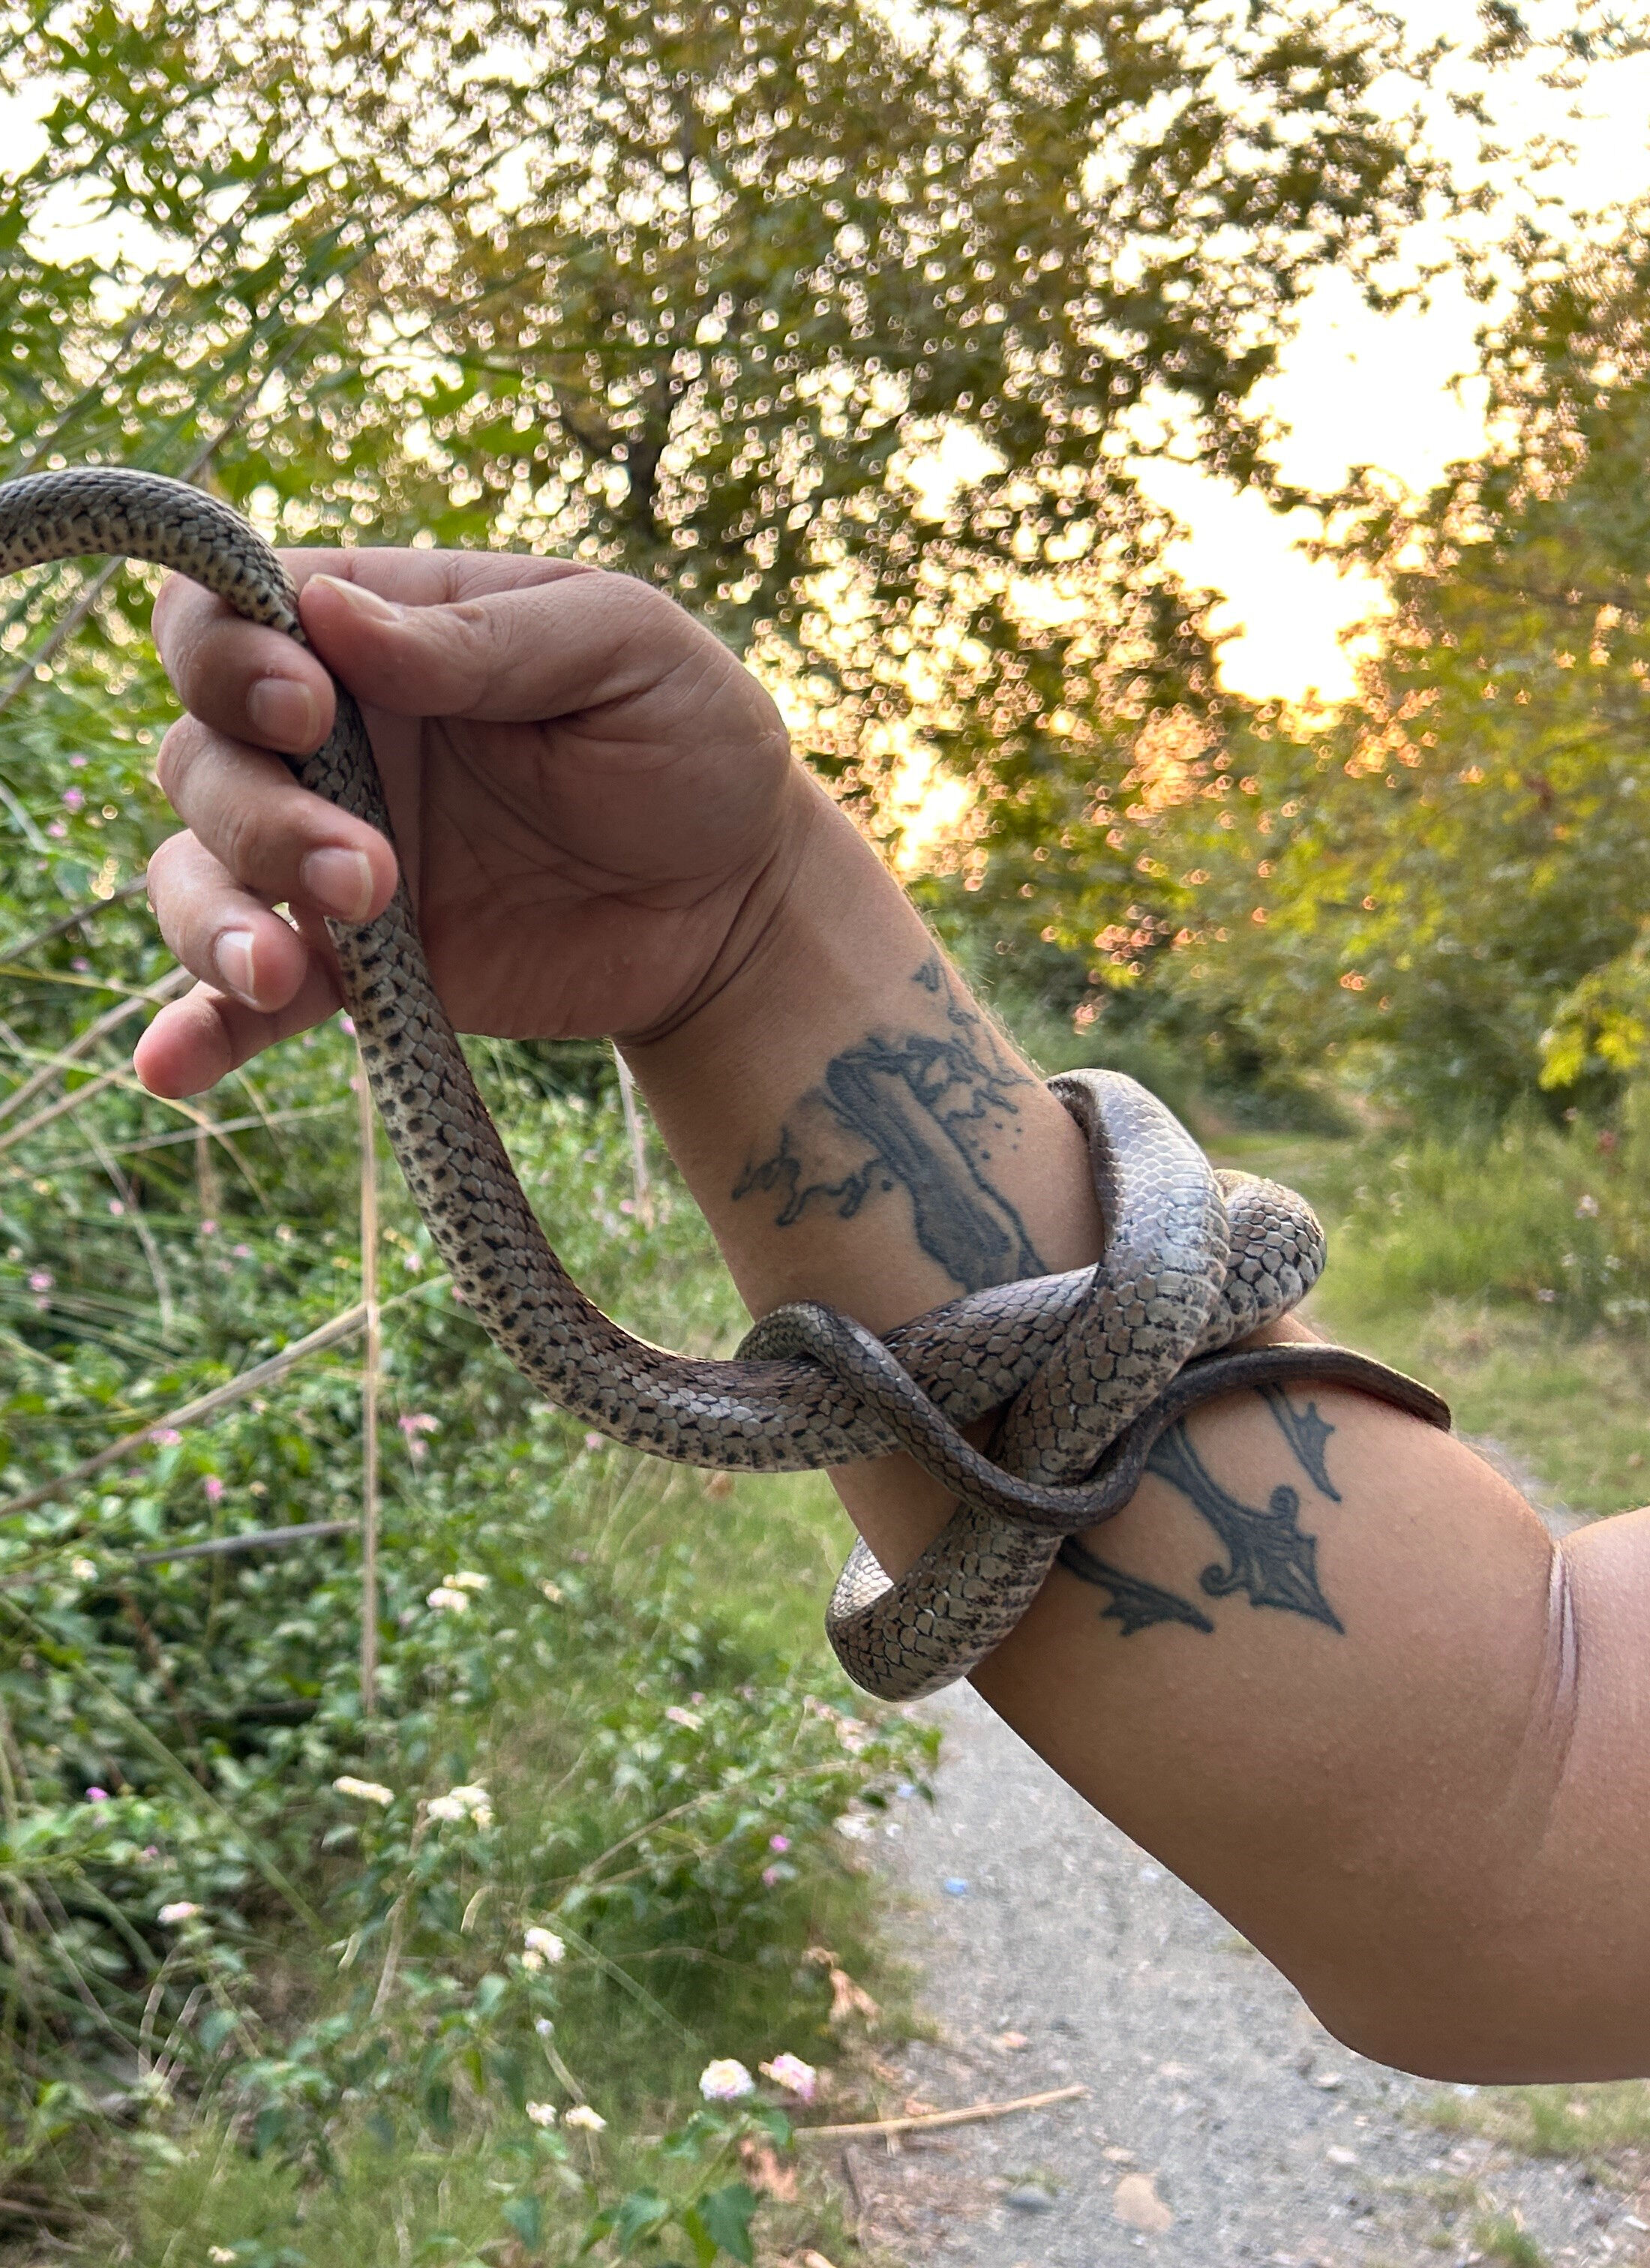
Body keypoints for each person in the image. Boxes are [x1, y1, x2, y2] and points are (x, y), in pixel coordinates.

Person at [133, 548, 1648, 2082]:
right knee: (1207, 1248)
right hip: (1007, 1277)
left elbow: (1511, 1825)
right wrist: (739, 938)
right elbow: (1513, 1823)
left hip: (1051, 1381)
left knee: (1220, 1247)